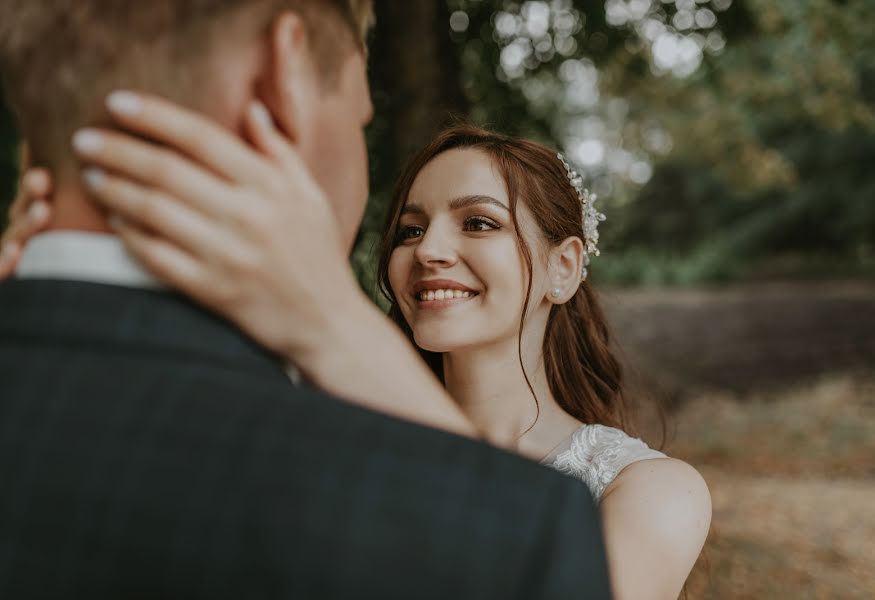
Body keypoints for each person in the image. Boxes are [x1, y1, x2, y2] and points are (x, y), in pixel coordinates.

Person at [0, 2, 614, 598]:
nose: (429, 252)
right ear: (285, 74)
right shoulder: (502, 524)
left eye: (478, 224)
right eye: (360, 119)